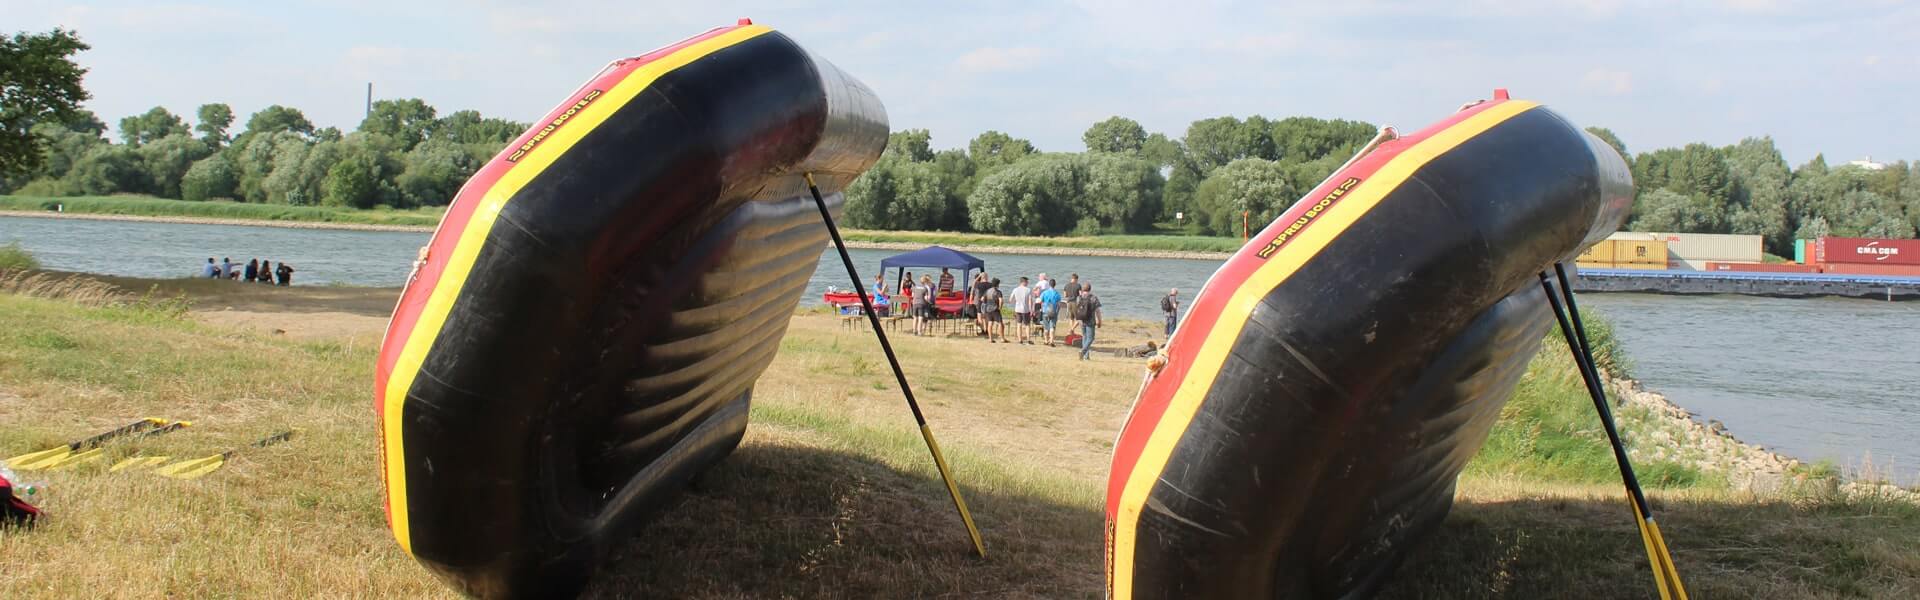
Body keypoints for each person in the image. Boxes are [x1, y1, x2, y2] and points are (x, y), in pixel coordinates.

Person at [1076, 284, 1103, 360]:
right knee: (1090, 338)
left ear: (1082, 289)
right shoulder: (1093, 298)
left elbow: (1077, 309)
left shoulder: (1079, 297)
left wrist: (1077, 320)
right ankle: (1083, 352)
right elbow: (1097, 311)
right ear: (1090, 289)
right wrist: (1099, 321)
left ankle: (1086, 356)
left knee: (1084, 337)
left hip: (1081, 320)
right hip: (1090, 320)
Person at [1009, 277, 1033, 344]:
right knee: (1027, 325)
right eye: (1027, 282)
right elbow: (1030, 301)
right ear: (1024, 282)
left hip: (1018, 309)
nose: (1028, 283)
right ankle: (1028, 339)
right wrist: (1031, 310)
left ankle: (1020, 339)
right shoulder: (1028, 290)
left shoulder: (1015, 289)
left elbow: (1010, 300)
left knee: (1019, 324)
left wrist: (1016, 302)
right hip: (1025, 309)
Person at [1038, 280, 1062, 346]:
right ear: (1055, 284)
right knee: (1052, 327)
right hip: (1053, 312)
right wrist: (1057, 311)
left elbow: (1040, 301)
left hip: (1045, 311)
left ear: (1049, 284)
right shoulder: (1057, 293)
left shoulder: (1045, 292)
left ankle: (1046, 341)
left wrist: (1043, 306)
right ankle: (1051, 341)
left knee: (1046, 327)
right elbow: (1059, 304)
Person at [980, 278, 1005, 342]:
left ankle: (990, 339)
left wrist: (986, 302)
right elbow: (1001, 300)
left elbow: (982, 299)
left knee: (990, 323)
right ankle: (1002, 338)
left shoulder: (987, 291)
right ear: (998, 284)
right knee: (1000, 323)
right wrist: (1000, 307)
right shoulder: (998, 292)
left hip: (988, 309)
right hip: (995, 309)